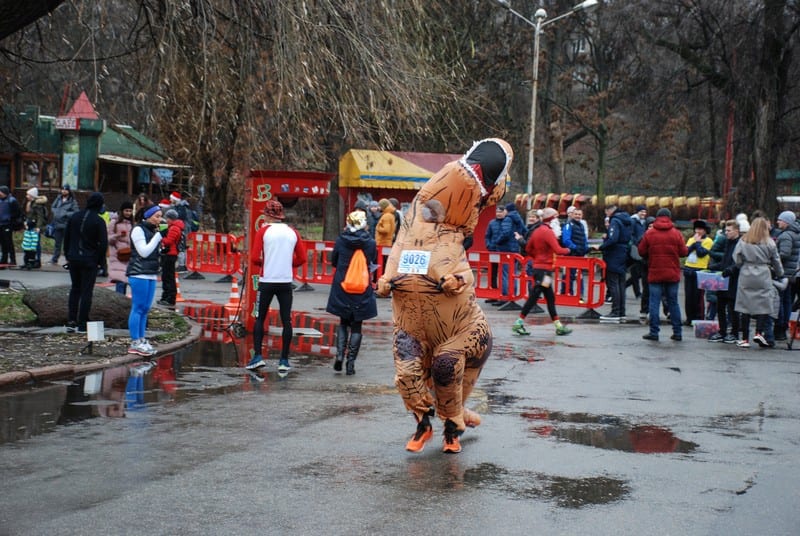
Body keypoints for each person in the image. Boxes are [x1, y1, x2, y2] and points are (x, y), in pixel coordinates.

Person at [377, 137, 513, 454]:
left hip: (458, 328)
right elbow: (396, 253)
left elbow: (464, 274)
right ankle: (424, 423)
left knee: (445, 367)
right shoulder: (411, 225)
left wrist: (454, 280)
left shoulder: (453, 236)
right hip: (412, 322)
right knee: (406, 375)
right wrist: (385, 278)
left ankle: (452, 429)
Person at [246, 199, 307, 373]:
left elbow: (255, 258)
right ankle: (284, 360)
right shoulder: (293, 232)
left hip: (267, 281)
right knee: (286, 320)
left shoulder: (263, 232)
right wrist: (289, 264)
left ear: (267, 215)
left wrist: (267, 262)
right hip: (285, 281)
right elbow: (302, 258)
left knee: (260, 317)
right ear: (281, 216)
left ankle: (258, 356)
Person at [326, 210, 378, 375]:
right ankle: (351, 363)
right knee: (357, 326)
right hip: (361, 287)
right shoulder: (370, 243)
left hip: (343, 285)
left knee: (343, 322)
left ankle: (340, 355)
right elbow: (372, 261)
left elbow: (333, 260)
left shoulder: (341, 240)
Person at [512, 207, 572, 336]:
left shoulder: (537, 231)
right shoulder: (548, 232)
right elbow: (558, 249)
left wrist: (537, 258)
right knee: (535, 297)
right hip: (545, 270)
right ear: (552, 219)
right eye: (556, 218)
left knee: (548, 297)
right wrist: (569, 250)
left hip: (540, 269)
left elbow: (528, 248)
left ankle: (558, 325)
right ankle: (519, 322)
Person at [637, 208, 688, 341]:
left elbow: (641, 251)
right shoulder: (676, 233)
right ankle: (677, 332)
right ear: (669, 217)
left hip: (655, 272)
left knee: (654, 302)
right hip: (672, 272)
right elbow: (683, 252)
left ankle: (654, 332)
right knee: (673, 302)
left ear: (657, 217)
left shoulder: (650, 233)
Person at [732, 217, 783, 348]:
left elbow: (736, 258)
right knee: (763, 304)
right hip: (763, 273)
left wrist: (743, 264)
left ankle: (744, 339)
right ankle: (759, 332)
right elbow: (776, 260)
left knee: (745, 306)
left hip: (746, 273)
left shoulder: (743, 241)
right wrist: (780, 273)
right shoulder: (769, 242)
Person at [64, 192, 108, 334]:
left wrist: (68, 255)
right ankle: (83, 323)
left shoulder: (75, 217)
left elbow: (67, 237)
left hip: (74, 258)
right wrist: (100, 261)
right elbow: (103, 244)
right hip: (89, 259)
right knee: (86, 291)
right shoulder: (98, 221)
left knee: (75, 289)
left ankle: (71, 321)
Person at [126, 205, 164, 356]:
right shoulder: (138, 230)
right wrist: (159, 236)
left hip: (151, 273)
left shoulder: (153, 231)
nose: (159, 219)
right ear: (147, 216)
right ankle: (135, 341)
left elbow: (154, 250)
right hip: (138, 273)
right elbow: (144, 251)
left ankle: (142, 339)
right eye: (156, 216)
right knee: (138, 307)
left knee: (146, 309)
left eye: (161, 216)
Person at [708, 219, 742, 343]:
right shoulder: (728, 243)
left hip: (734, 280)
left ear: (736, 231)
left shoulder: (740, 243)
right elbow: (725, 260)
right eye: (726, 230)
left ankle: (734, 333)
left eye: (729, 230)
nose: (726, 233)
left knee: (733, 308)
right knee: (720, 306)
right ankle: (722, 331)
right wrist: (715, 267)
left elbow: (738, 263)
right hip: (723, 278)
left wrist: (729, 269)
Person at [599, 204, 633, 321]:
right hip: (623, 253)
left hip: (614, 254)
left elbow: (613, 238)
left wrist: (601, 247)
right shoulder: (627, 220)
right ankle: (621, 310)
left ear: (609, 211)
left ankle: (615, 311)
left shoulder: (615, 221)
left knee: (613, 283)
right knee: (621, 283)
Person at [773, 210, 800, 341]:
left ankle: (780, 328)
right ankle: (783, 328)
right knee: (787, 301)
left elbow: (784, 254)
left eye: (780, 220)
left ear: (787, 222)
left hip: (784, 273)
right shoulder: (796, 233)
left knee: (781, 301)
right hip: (792, 273)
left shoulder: (786, 236)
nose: (778, 221)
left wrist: (772, 260)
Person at [683, 219, 714, 324]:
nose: (698, 231)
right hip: (689, 268)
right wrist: (695, 243)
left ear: (705, 230)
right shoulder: (692, 239)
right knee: (688, 296)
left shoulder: (708, 241)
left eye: (700, 229)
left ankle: (698, 318)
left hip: (700, 270)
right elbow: (686, 252)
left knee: (698, 296)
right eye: (696, 229)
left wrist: (697, 244)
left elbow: (701, 253)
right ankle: (689, 318)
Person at [157, 209, 185, 307]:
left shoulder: (174, 228)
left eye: (167, 218)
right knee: (167, 276)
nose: (165, 219)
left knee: (168, 277)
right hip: (170, 254)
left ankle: (169, 298)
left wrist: (160, 236)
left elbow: (168, 241)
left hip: (170, 254)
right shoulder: (173, 227)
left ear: (170, 218)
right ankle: (166, 297)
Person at [108, 201, 134, 295]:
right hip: (118, 256)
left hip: (129, 255)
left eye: (130, 211)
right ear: (122, 211)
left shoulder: (132, 223)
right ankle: (119, 302)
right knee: (120, 281)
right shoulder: (114, 222)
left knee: (127, 280)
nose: (128, 213)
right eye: (126, 210)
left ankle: (124, 302)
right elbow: (109, 239)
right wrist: (118, 235)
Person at [49, 184, 78, 265]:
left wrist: (65, 213)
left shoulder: (72, 201)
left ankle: (68, 260)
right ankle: (54, 259)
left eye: (66, 190)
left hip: (66, 225)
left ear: (69, 191)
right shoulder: (58, 199)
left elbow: (76, 212)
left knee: (67, 244)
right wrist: (56, 212)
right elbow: (53, 207)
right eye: (62, 189)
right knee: (57, 243)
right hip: (57, 224)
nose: (64, 191)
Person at [23, 187, 48, 268]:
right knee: (29, 243)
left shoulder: (37, 204)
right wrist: (26, 222)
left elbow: (40, 216)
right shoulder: (30, 203)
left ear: (32, 195)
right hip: (30, 226)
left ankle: (37, 261)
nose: (26, 196)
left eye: (28, 195)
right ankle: (30, 260)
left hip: (35, 227)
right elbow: (29, 215)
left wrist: (38, 227)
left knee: (36, 244)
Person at [0, 186, 21, 268]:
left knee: (9, 242)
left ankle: (13, 260)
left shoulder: (12, 201)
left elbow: (17, 213)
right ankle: (4, 259)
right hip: (1, 224)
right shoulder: (1, 200)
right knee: (2, 243)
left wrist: (10, 219)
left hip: (8, 224)